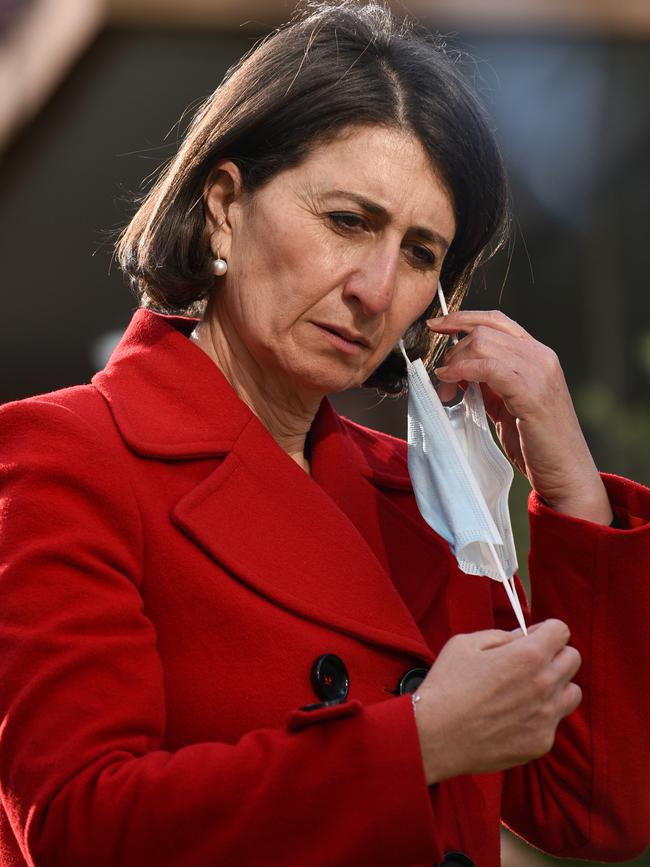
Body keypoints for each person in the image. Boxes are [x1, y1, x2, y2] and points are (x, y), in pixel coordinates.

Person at [0, 3, 648, 866]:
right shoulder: (66, 453)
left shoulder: (418, 500)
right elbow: (81, 829)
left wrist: (570, 483)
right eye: (349, 221)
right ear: (224, 208)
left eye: (421, 254)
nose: (377, 290)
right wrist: (420, 741)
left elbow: (592, 804)